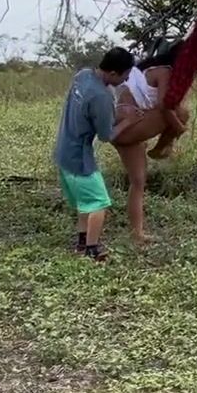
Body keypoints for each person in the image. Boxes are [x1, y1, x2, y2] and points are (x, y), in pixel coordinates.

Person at [53, 47, 134, 261]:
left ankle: (82, 242)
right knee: (99, 202)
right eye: (125, 75)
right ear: (113, 73)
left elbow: (86, 111)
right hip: (78, 157)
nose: (126, 80)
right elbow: (106, 135)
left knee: (85, 202)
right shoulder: (102, 96)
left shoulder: (83, 75)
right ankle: (92, 249)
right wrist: (127, 121)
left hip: (63, 149)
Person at [109, 42, 193, 247]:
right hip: (128, 125)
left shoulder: (152, 70)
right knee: (181, 113)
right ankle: (162, 147)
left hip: (123, 128)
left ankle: (137, 234)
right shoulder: (164, 71)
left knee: (138, 182)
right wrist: (179, 129)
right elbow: (165, 106)